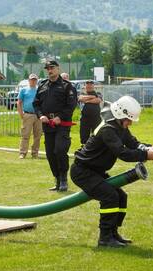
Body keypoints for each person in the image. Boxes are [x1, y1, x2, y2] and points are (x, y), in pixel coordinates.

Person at [70, 96, 153, 248]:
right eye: (128, 119)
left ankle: (113, 233)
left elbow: (133, 143)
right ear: (120, 115)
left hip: (95, 171)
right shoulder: (108, 129)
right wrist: (145, 155)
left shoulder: (119, 127)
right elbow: (123, 153)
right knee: (110, 197)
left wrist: (147, 147)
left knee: (121, 196)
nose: (130, 123)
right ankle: (105, 238)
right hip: (83, 172)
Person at [33, 60, 77, 192]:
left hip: (62, 124)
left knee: (60, 149)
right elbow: (36, 104)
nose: (49, 70)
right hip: (47, 125)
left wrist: (60, 117)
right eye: (47, 68)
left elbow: (71, 105)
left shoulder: (67, 86)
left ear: (58, 69)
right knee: (50, 153)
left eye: (52, 68)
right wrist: (40, 115)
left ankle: (64, 179)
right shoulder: (42, 86)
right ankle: (57, 179)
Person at [17, 73, 42, 159]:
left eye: (35, 79)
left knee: (37, 135)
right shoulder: (24, 90)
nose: (33, 81)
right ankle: (22, 153)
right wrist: (21, 114)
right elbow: (19, 102)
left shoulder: (39, 90)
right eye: (32, 79)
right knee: (25, 135)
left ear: (37, 81)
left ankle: (35, 153)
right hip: (27, 114)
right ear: (29, 80)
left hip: (38, 115)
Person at [78, 80, 103, 145]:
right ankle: (84, 150)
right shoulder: (82, 93)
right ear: (85, 86)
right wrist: (92, 97)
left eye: (91, 84)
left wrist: (87, 101)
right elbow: (81, 99)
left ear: (93, 86)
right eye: (87, 84)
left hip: (96, 119)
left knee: (97, 135)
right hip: (84, 119)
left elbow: (98, 100)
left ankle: (96, 150)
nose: (89, 86)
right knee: (84, 137)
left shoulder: (98, 93)